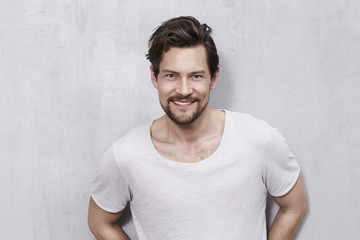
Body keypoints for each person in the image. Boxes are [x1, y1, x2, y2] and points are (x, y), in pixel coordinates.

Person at [88, 16, 308, 240]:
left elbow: (295, 205)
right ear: (154, 77)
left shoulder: (260, 140)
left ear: (213, 78)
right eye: (171, 75)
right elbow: (99, 221)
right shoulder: (125, 156)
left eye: (196, 76)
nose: (184, 90)